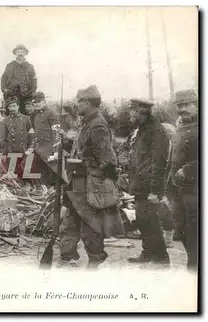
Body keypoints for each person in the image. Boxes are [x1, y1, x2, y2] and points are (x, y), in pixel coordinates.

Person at [59, 85, 124, 268]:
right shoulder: (88, 122)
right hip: (77, 181)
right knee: (70, 221)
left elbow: (107, 159)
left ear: (87, 103)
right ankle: (67, 256)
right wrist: (67, 142)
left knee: (90, 225)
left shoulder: (98, 125)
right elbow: (85, 149)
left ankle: (95, 260)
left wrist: (95, 177)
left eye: (78, 101)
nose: (76, 104)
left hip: (88, 183)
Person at [126, 98, 170, 266]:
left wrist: (154, 190)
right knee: (143, 220)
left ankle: (161, 258)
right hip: (140, 185)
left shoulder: (156, 131)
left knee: (150, 220)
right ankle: (148, 253)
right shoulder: (142, 130)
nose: (130, 114)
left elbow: (159, 163)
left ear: (141, 113)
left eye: (132, 111)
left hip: (149, 186)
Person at [166, 89, 198, 272]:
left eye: (186, 105)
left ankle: (194, 267)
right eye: (179, 106)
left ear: (196, 105)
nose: (182, 109)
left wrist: (188, 169)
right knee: (181, 229)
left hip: (195, 189)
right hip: (177, 189)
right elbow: (172, 158)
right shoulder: (178, 129)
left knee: (195, 228)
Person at [0, 97, 34, 185]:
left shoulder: (26, 119)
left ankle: (28, 186)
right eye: (10, 107)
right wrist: (3, 153)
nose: (12, 109)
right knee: (13, 175)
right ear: (8, 108)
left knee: (25, 173)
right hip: (11, 151)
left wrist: (30, 147)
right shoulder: (5, 121)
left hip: (24, 151)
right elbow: (3, 138)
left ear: (18, 106)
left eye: (14, 106)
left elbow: (31, 135)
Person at [31, 92, 60, 187]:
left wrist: (56, 152)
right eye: (34, 102)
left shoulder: (52, 114)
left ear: (44, 101)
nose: (36, 104)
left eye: (38, 101)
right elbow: (36, 134)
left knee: (51, 176)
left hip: (49, 150)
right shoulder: (36, 116)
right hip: (39, 149)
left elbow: (56, 134)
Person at [1, 44, 37, 115]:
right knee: (12, 115)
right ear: (15, 53)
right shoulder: (10, 66)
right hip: (12, 95)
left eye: (22, 51)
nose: (20, 53)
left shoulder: (30, 67)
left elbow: (34, 80)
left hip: (26, 96)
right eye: (18, 51)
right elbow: (3, 79)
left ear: (25, 53)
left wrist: (32, 92)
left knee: (26, 116)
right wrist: (5, 90)